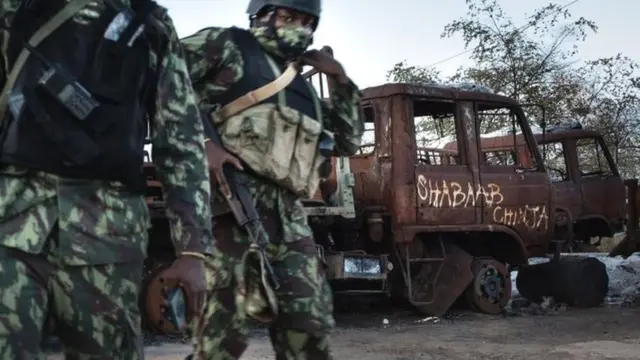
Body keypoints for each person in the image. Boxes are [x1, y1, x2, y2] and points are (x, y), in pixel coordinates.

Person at [0, 0, 214, 358]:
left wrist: (193, 251)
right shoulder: (14, 8)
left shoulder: (151, 24)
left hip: (106, 239)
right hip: (12, 225)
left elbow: (180, 141)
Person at [180, 0, 364, 358]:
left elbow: (347, 141)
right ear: (261, 15)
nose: (300, 29)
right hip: (227, 205)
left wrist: (340, 81)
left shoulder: (302, 90)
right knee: (222, 338)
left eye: (308, 23)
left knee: (308, 325)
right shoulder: (228, 46)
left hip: (290, 218)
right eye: (289, 17)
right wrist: (203, 144)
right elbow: (160, 79)